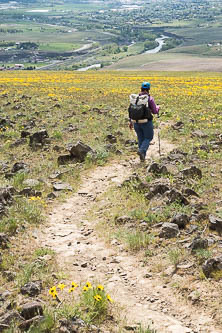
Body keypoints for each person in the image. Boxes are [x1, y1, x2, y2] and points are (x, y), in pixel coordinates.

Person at [129, 82, 160, 161]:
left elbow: (132, 110)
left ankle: (142, 157)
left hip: (135, 122)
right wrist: (158, 108)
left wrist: (130, 121)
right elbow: (154, 111)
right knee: (148, 137)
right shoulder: (149, 99)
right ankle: (142, 151)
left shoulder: (135, 99)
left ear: (141, 89)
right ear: (149, 89)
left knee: (140, 138)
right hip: (146, 122)